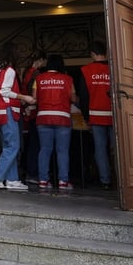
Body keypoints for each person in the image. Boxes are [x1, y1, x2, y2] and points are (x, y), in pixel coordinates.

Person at [0, 42, 35, 191]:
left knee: (9, 145)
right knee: (13, 146)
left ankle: (12, 179)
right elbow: (4, 91)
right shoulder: (10, 71)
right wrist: (24, 97)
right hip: (8, 111)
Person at [33, 53, 79, 192]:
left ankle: (43, 180)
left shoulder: (39, 79)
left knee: (45, 150)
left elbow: (35, 98)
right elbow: (73, 99)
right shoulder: (68, 79)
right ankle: (63, 181)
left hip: (43, 117)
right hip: (62, 118)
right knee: (62, 151)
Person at [78, 40, 114, 189]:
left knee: (100, 149)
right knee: (117, 149)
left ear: (92, 54)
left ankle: (105, 181)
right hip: (115, 116)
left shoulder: (85, 70)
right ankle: (124, 179)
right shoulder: (115, 69)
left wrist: (86, 117)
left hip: (96, 116)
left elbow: (83, 97)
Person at [19, 49, 46, 184]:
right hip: (34, 111)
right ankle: (33, 172)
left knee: (30, 143)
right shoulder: (37, 75)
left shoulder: (26, 72)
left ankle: (27, 170)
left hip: (26, 110)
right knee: (36, 144)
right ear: (41, 60)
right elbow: (35, 95)